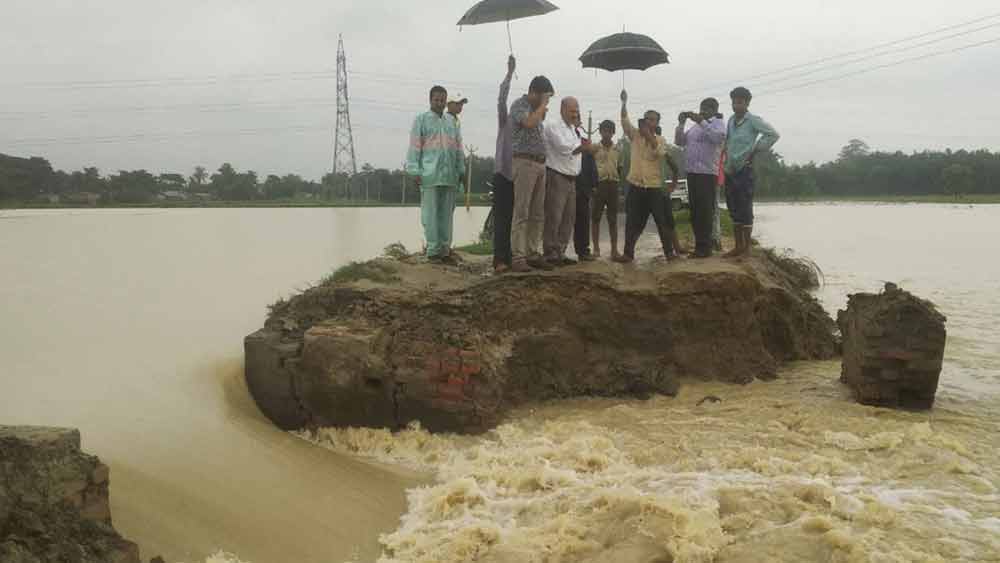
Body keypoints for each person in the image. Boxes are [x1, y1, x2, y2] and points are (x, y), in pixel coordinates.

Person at [615, 90, 680, 263]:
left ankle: (669, 253)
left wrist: (649, 135)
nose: (650, 122)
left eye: (653, 120)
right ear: (644, 121)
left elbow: (658, 152)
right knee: (633, 222)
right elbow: (624, 120)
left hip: (654, 187)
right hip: (635, 185)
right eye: (647, 119)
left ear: (657, 123)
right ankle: (628, 254)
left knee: (661, 221)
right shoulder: (635, 135)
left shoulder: (661, 140)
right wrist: (624, 103)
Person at [406, 85, 465, 264]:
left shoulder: (452, 122)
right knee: (430, 214)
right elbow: (415, 147)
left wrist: (461, 169)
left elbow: (458, 147)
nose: (439, 103)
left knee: (447, 215)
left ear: (446, 102)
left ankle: (445, 250)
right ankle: (433, 251)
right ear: (430, 100)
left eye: (442, 100)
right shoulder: (421, 120)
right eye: (436, 100)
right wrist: (414, 170)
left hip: (449, 175)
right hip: (429, 175)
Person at [725, 86, 780, 258]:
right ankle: (737, 246)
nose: (736, 105)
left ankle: (746, 249)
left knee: (745, 207)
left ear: (747, 103)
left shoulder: (753, 121)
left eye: (740, 102)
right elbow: (728, 142)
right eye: (734, 102)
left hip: (745, 169)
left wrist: (755, 149)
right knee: (733, 207)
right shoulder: (730, 121)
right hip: (730, 169)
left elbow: (773, 134)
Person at [510, 76, 555, 272]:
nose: (547, 102)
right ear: (535, 92)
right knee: (522, 211)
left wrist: (541, 109)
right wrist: (542, 106)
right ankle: (518, 256)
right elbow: (528, 123)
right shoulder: (519, 105)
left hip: (540, 164)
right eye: (546, 97)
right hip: (524, 162)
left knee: (537, 213)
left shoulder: (538, 111)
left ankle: (532, 253)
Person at [543, 97, 593, 266]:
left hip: (572, 178)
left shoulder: (572, 129)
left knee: (568, 218)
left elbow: (576, 150)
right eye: (572, 111)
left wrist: (584, 147)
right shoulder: (553, 126)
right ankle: (550, 252)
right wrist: (584, 147)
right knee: (554, 216)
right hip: (557, 176)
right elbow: (564, 148)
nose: (575, 114)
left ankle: (561, 252)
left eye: (577, 111)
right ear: (562, 109)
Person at [676, 98, 726, 258]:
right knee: (695, 211)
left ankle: (705, 248)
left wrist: (702, 122)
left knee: (705, 211)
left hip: (707, 174)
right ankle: (700, 246)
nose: (702, 111)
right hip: (692, 173)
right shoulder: (694, 127)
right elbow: (679, 142)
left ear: (714, 109)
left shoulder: (718, 123)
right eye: (701, 108)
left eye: (706, 108)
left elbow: (718, 138)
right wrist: (681, 124)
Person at [492, 56, 516, 274]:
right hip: (502, 174)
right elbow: (501, 100)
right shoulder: (505, 121)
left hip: (519, 177)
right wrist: (509, 73)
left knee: (515, 219)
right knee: (501, 218)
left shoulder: (528, 126)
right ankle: (499, 259)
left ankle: (512, 257)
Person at [591, 120, 622, 259]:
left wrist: (617, 182)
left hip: (613, 184)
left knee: (613, 219)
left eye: (609, 131)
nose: (607, 134)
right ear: (600, 132)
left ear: (613, 133)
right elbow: (590, 167)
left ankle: (614, 250)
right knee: (596, 217)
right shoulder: (595, 148)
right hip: (599, 184)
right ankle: (596, 249)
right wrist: (593, 185)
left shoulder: (617, 149)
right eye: (604, 131)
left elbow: (620, 167)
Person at [574, 133, 599, 261]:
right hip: (568, 183)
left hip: (583, 188)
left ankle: (583, 251)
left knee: (583, 220)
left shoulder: (586, 145)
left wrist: (594, 184)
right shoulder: (563, 138)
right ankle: (556, 252)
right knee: (562, 219)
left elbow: (592, 166)